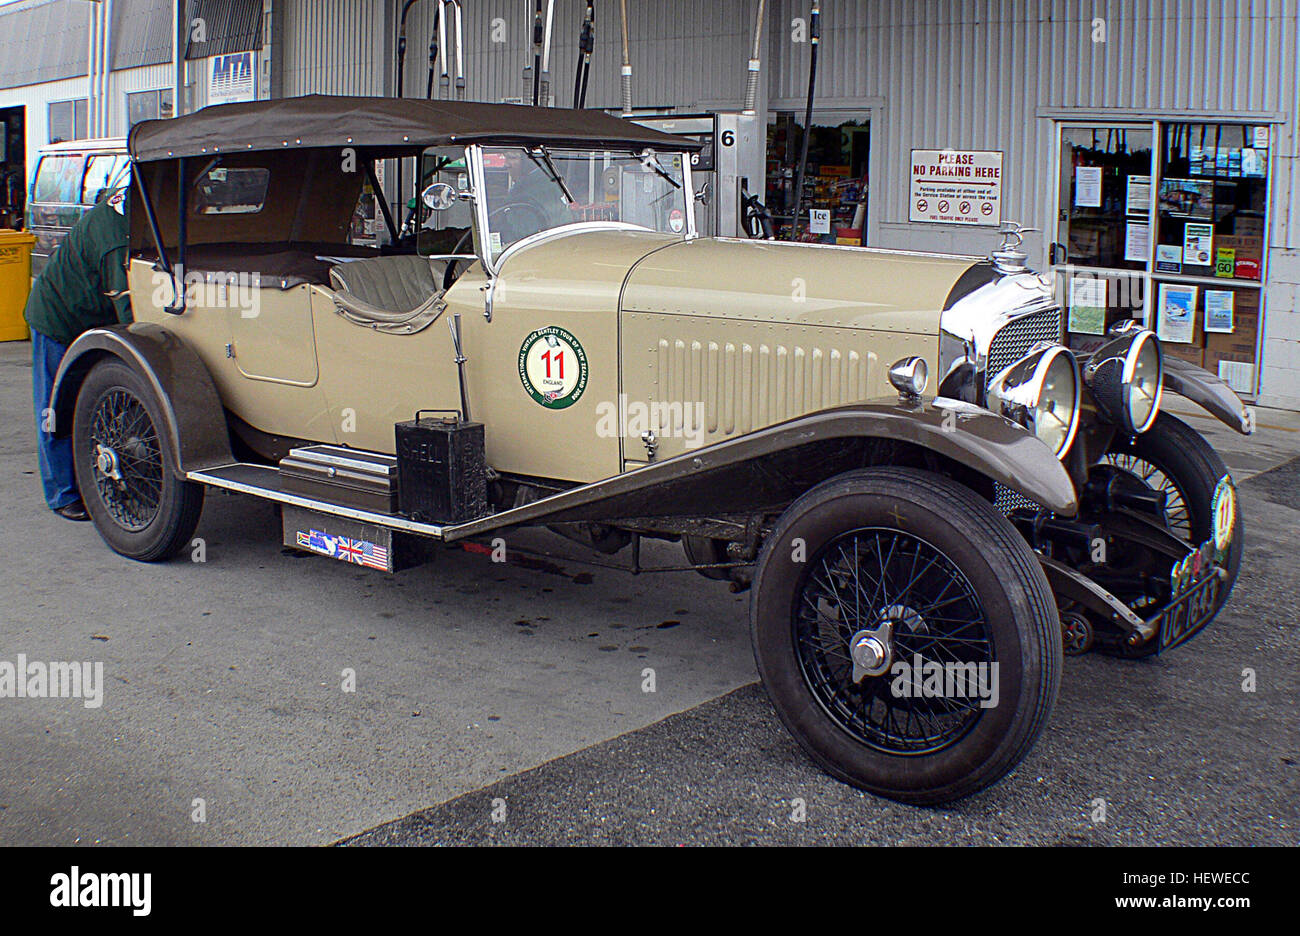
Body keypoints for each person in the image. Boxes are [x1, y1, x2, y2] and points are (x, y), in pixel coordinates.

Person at [24, 187, 132, 521]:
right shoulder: (117, 237)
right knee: (55, 409)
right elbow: (128, 307)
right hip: (58, 318)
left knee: (91, 404)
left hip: (90, 318)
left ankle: (90, 481)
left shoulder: (126, 205)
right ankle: (62, 494)